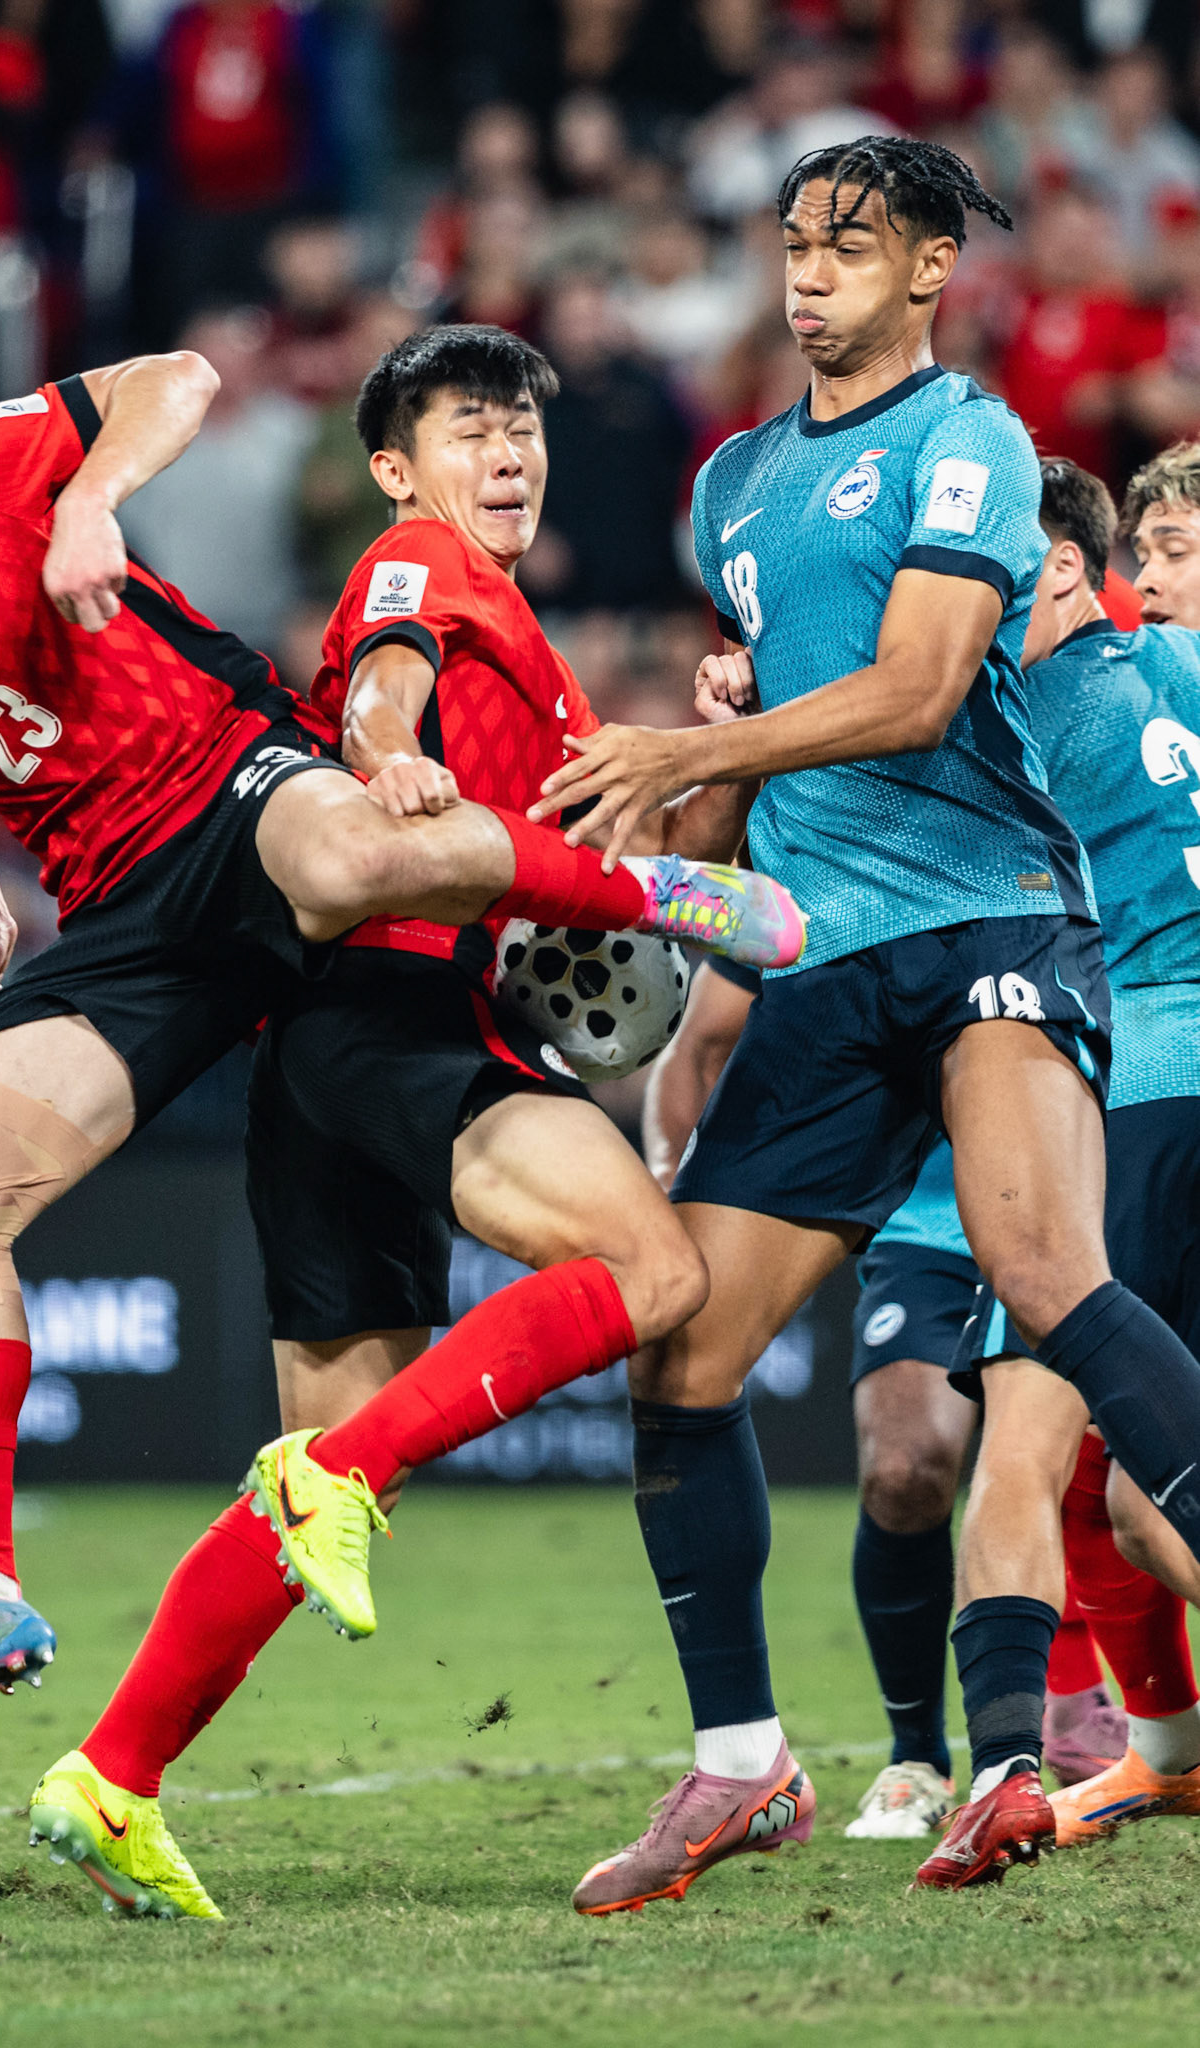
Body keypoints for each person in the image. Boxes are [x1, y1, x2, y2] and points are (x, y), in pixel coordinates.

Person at [0, 350, 796, 1725]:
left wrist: (88, 498)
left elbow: (178, 377)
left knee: (351, 857)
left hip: (225, 773)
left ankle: (654, 893)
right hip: (121, 907)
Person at [23, 324, 774, 1922]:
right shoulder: (421, 563)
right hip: (401, 1014)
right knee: (653, 1273)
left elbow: (651, 878)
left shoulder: (530, 649)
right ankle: (329, 1495)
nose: (506, 453)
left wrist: (728, 743)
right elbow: (379, 693)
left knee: (324, 1460)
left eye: (520, 428)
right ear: (394, 468)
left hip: (323, 1049)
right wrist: (388, 760)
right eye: (467, 428)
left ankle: (112, 1775)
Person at [527, 135, 1200, 1903]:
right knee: (679, 1360)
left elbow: (910, 693)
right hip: (824, 968)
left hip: (991, 921)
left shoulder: (968, 441)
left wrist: (691, 738)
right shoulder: (731, 484)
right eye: (791, 243)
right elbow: (763, 772)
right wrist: (649, 851)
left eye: (847, 244)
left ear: (925, 269)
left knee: (1041, 1269)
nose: (808, 272)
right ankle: (742, 1767)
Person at [644, 973, 1127, 1842]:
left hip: (1069, 1210)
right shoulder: (831, 890)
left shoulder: (1082, 894)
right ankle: (918, 1758)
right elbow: (703, 1042)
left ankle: (1106, 1705)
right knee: (905, 1472)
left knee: (1099, 1464)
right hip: (926, 1229)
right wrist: (663, 1196)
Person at [959, 448, 1200, 1853]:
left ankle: (1018, 1759)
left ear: (1054, 569)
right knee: (1116, 1475)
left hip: (1143, 1088)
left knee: (1087, 1455)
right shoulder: (1183, 667)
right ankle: (1164, 1754)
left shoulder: (1021, 705)